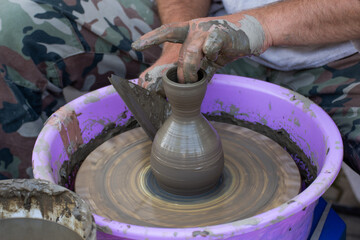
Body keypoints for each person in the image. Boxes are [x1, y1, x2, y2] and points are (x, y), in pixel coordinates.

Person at [0, 0, 359, 179]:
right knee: (12, 22)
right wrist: (179, 38)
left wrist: (260, 26)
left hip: (345, 55)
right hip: (216, 19)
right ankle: (33, 209)